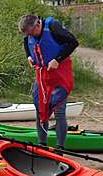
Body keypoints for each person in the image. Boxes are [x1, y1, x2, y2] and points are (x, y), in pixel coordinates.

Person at [18, 14, 78, 149]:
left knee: (59, 111)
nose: (31, 36)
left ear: (38, 25)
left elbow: (73, 42)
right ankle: (42, 145)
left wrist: (57, 60)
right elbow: (26, 42)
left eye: (32, 32)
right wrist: (29, 56)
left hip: (60, 74)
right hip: (42, 75)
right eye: (29, 34)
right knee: (40, 110)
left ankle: (60, 148)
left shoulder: (53, 27)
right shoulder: (30, 33)